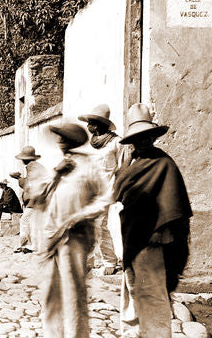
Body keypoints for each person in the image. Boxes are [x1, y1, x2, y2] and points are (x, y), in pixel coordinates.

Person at [112, 103, 192, 338]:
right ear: (132, 140)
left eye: (147, 136)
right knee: (133, 290)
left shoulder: (164, 164)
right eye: (139, 137)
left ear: (153, 137)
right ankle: (134, 333)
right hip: (130, 239)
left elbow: (175, 207)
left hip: (152, 241)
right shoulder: (131, 163)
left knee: (153, 297)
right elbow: (119, 194)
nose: (143, 141)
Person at [38, 122, 112, 338]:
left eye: (63, 139)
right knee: (51, 294)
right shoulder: (58, 166)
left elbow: (105, 196)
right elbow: (39, 197)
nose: (60, 143)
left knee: (73, 294)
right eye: (59, 139)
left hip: (76, 237)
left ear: (71, 142)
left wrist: (80, 216)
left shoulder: (89, 165)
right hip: (53, 237)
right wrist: (55, 175)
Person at [79, 104, 128, 275]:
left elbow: (122, 168)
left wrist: (117, 190)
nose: (88, 127)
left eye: (91, 123)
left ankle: (109, 261)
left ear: (100, 124)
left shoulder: (117, 142)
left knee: (102, 226)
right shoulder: (90, 144)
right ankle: (89, 260)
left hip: (107, 190)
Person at [10, 145, 49, 254]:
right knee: (33, 223)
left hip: (35, 201)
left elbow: (29, 184)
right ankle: (33, 245)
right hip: (39, 199)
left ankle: (26, 245)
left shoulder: (32, 167)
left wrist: (19, 179)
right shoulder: (36, 166)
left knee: (25, 221)